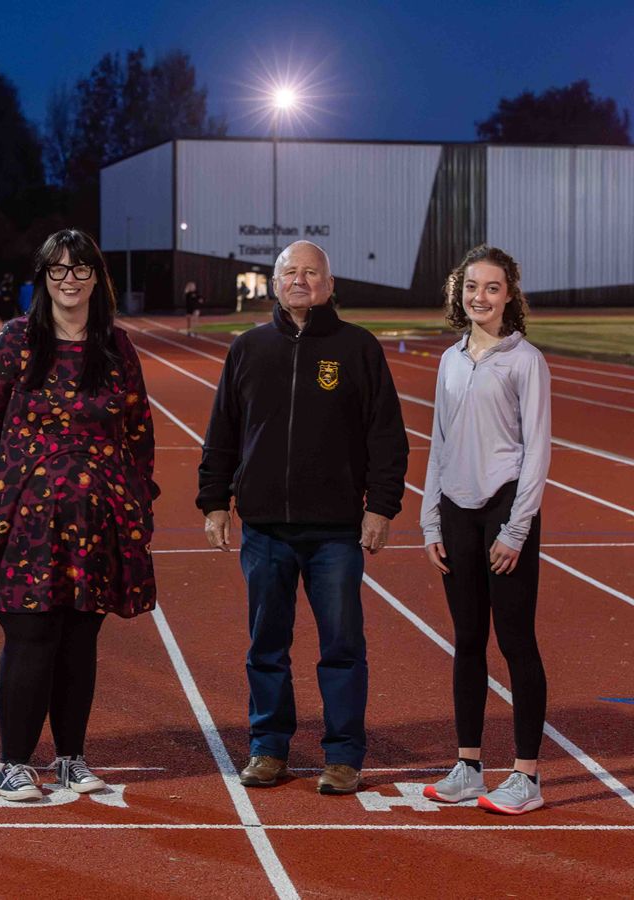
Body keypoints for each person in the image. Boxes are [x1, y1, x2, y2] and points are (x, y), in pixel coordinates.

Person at [197, 240, 408, 795]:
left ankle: (343, 756)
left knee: (341, 647)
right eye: (290, 272)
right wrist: (215, 500)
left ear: (330, 285)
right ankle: (268, 749)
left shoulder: (358, 349)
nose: (300, 280)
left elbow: (386, 436)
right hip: (265, 529)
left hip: (336, 530)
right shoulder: (248, 348)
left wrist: (381, 507)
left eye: (311, 272)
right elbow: (222, 433)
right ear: (274, 282)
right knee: (266, 646)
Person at [0, 228, 159, 802]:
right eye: (57, 270)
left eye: (80, 269)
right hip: (25, 518)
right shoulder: (16, 340)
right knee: (31, 634)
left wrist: (138, 494)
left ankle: (71, 757)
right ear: (43, 279)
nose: (69, 280)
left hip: (100, 516)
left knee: (79, 640)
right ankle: (14, 762)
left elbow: (138, 427)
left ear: (97, 277)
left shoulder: (116, 346)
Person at [420, 246, 551, 815]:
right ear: (459, 292)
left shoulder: (526, 361)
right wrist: (430, 517)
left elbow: (537, 451)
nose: (480, 296)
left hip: (503, 513)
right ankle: (469, 765)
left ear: (509, 295)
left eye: (492, 287)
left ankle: (526, 775)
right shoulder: (450, 360)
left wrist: (516, 529)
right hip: (455, 513)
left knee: (516, 641)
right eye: (471, 286)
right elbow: (439, 443)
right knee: (467, 640)